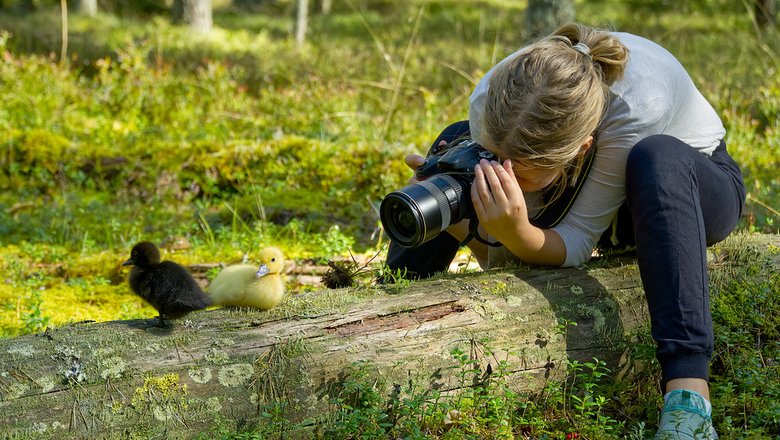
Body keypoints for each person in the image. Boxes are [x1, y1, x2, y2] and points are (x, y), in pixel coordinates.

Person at [385, 22, 745, 439]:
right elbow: (506, 263)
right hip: (572, 180)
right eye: (499, 158)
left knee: (656, 158)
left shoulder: (638, 106)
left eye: (522, 173)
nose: (507, 175)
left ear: (581, 148)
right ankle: (387, 304)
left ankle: (689, 404)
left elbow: (577, 242)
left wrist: (516, 231)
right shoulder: (493, 95)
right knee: (454, 141)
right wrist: (452, 193)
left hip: (682, 192)